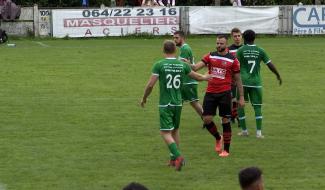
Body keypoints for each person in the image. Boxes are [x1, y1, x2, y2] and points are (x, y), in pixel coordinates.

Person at [140, 40, 210, 171]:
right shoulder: (182, 65)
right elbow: (197, 77)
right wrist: (206, 77)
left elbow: (150, 85)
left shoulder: (159, 65)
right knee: (175, 130)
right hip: (178, 103)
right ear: (175, 50)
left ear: (163, 50)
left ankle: (178, 156)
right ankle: (173, 159)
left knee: (164, 132)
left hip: (166, 103)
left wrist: (144, 98)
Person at [190, 35, 245, 157]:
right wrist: (187, 64)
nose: (218, 45)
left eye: (221, 43)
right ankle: (217, 137)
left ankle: (226, 150)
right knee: (206, 119)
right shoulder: (210, 56)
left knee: (225, 120)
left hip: (225, 93)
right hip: (210, 92)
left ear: (226, 44)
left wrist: (241, 97)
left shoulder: (233, 60)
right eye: (217, 43)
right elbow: (195, 67)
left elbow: (238, 79)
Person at [236, 29, 282, 138]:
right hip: (256, 83)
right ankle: (259, 133)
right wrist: (277, 75)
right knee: (257, 107)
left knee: (240, 105)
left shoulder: (241, 50)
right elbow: (269, 64)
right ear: (254, 38)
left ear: (243, 38)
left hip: (242, 82)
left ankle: (244, 131)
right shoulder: (260, 50)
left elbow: (234, 65)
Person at [173, 31, 203, 119]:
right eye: (174, 38)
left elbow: (181, 66)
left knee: (193, 102)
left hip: (188, 81)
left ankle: (207, 119)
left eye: (177, 38)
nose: (175, 40)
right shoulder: (184, 48)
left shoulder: (185, 49)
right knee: (183, 101)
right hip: (186, 81)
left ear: (182, 38)